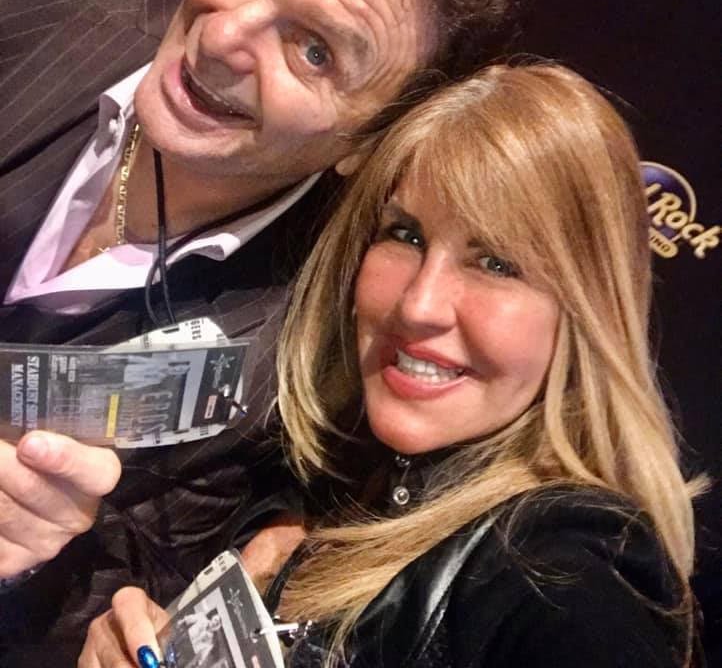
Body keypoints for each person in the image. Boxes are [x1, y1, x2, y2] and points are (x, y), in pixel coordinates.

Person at [0, 0, 522, 663]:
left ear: (365, 144)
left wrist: (23, 560)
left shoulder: (290, 370)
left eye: (314, 51)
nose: (222, 34)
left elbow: (103, 600)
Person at [81, 62, 704, 668]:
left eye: (496, 263)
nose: (418, 305)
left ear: (586, 311)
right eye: (406, 235)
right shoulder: (333, 487)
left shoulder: (558, 576)